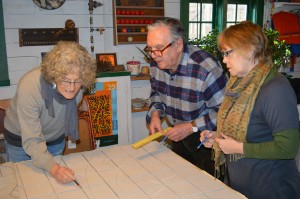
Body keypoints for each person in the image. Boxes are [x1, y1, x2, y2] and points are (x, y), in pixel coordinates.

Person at [200, 21, 300, 199]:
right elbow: (246, 131)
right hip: (242, 187)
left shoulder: (275, 89)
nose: (224, 60)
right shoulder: (238, 85)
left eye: (228, 53)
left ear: (251, 49)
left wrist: (239, 148)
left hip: (272, 190)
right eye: (223, 54)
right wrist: (217, 138)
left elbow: (288, 148)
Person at [145, 17, 228, 177]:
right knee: (180, 182)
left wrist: (191, 127)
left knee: (208, 188)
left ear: (178, 45)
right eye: (150, 49)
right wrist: (155, 113)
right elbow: (156, 93)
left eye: (159, 48)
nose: (154, 55)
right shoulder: (157, 62)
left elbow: (225, 112)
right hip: (178, 134)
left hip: (206, 139)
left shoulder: (206, 68)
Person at [4, 41, 96, 184]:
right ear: (54, 76)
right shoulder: (30, 87)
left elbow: (66, 114)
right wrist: (53, 168)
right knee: (24, 185)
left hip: (55, 138)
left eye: (77, 81)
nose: (72, 88)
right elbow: (32, 140)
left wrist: (54, 168)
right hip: (21, 139)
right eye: (66, 81)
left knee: (53, 186)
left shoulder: (79, 84)